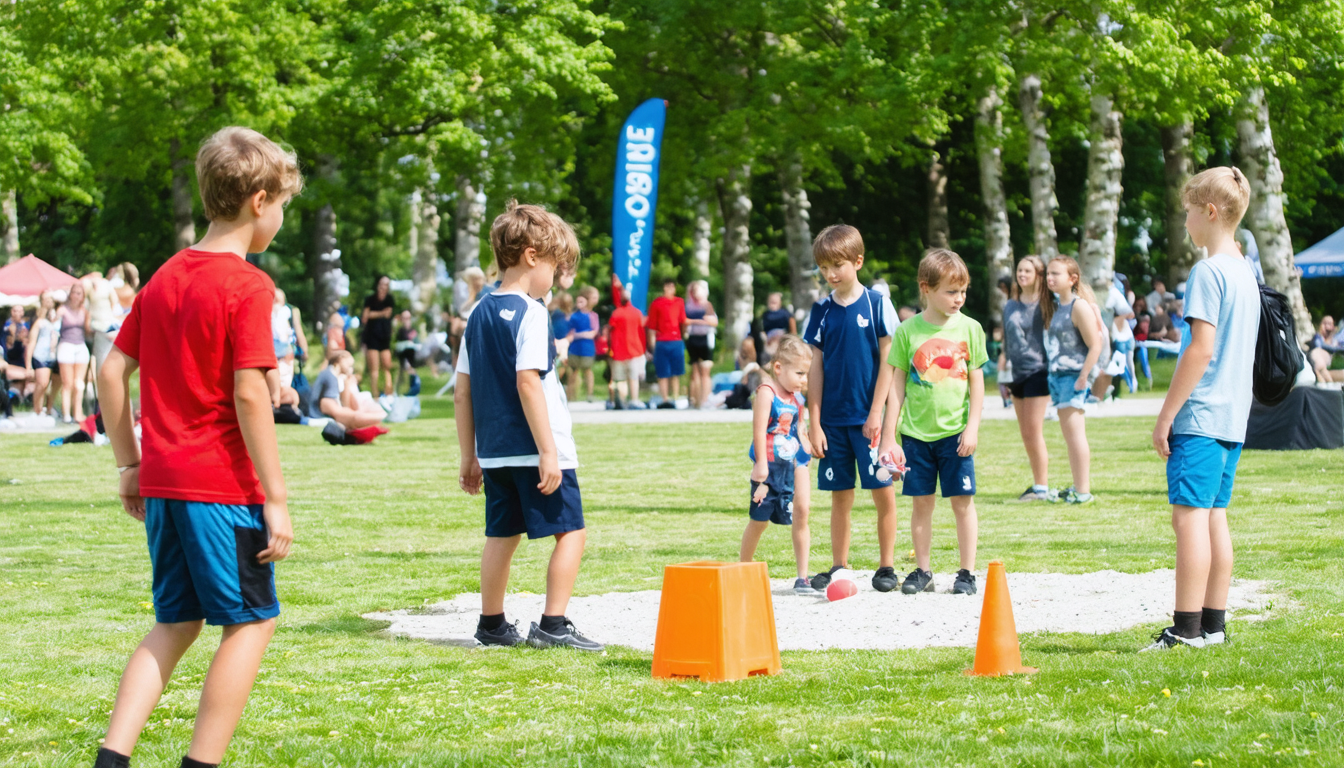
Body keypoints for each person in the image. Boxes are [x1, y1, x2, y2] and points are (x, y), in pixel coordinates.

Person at [92, 125, 301, 768]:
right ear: (260, 200)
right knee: (251, 622)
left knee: (175, 622)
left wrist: (130, 462)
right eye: (285, 206)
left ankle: (112, 758)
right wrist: (276, 498)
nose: (283, 220)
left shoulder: (163, 276)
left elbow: (108, 371)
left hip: (164, 483)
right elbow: (247, 396)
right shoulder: (249, 285)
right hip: (221, 488)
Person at [454, 201, 601, 652]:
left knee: (501, 534)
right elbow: (528, 383)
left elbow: (463, 390)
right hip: (539, 449)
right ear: (532, 256)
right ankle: (553, 623)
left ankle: (492, 624)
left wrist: (469, 454)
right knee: (571, 531)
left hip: (495, 451)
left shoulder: (477, 314)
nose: (556, 281)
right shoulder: (533, 313)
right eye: (556, 268)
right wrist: (548, 451)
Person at [1147, 167, 1260, 651]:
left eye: (1188, 212)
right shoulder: (1245, 272)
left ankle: (1185, 628)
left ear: (1210, 212)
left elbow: (1200, 349)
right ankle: (1213, 625)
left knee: (1189, 520)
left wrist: (1167, 414)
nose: (1186, 222)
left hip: (1203, 416)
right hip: (1234, 418)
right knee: (1215, 516)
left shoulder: (1208, 272)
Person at [877, 249, 986, 596]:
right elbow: (896, 386)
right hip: (915, 436)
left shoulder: (971, 328)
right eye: (951, 292)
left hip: (955, 436)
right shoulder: (907, 331)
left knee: (962, 503)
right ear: (926, 288)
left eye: (963, 291)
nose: (959, 299)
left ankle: (966, 572)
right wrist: (889, 435)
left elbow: (977, 384)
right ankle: (923, 570)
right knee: (921, 503)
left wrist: (972, 428)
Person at [803, 224, 901, 594]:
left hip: (868, 421)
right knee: (839, 496)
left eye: (838, 265)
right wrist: (815, 422)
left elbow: (890, 364)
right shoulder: (821, 310)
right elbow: (815, 368)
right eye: (824, 267)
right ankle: (839, 565)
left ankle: (887, 565)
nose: (831, 274)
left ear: (857, 262)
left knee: (882, 492)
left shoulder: (878, 304)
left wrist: (877, 413)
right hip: (833, 422)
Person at [739, 335, 817, 593]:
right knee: (759, 520)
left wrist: (806, 439)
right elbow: (759, 430)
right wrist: (761, 463)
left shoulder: (798, 398)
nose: (804, 380)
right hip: (770, 466)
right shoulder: (766, 392)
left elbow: (799, 425)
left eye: (806, 374)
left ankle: (802, 577)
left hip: (795, 462)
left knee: (802, 511)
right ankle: (744, 568)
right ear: (778, 368)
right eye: (799, 373)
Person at [1042, 255, 1103, 505]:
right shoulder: (1058, 306)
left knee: (1075, 435)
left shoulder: (1079, 306)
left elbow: (1095, 345)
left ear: (1072, 279)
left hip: (1072, 377)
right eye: (1048, 273)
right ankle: (1078, 486)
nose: (1049, 278)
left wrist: (1083, 377)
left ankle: (1083, 491)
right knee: (1069, 435)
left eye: (1055, 273)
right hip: (1057, 377)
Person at [1001, 255, 1052, 501]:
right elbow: (1006, 341)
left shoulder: (1046, 304)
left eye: (1028, 271)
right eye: (1019, 271)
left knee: (1033, 431)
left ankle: (1042, 486)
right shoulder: (1010, 305)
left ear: (1038, 275)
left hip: (1039, 371)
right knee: (1025, 433)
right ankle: (1037, 483)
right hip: (1016, 372)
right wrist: (1002, 372)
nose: (1022, 275)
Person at [309, 350, 386, 429]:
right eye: (349, 366)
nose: (350, 369)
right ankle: (382, 417)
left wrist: (347, 382)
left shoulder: (335, 375)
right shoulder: (330, 375)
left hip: (329, 409)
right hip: (321, 413)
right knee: (356, 417)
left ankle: (380, 417)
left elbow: (346, 404)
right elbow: (331, 405)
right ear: (340, 359)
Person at [646, 279, 687, 408]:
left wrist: (683, 336)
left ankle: (675, 397)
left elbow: (683, 320)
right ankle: (664, 398)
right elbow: (651, 326)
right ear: (663, 288)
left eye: (672, 286)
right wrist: (651, 345)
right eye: (667, 286)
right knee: (662, 372)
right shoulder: (657, 304)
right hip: (662, 341)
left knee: (676, 371)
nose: (669, 289)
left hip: (676, 340)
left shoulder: (679, 302)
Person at [56, 281, 92, 423]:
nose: (76, 295)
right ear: (70, 294)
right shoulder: (62, 310)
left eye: (79, 293)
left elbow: (88, 331)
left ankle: (78, 413)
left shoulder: (84, 311)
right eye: (74, 292)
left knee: (79, 384)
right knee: (68, 383)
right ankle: (66, 414)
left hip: (80, 346)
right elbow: (54, 327)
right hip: (66, 346)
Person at [608, 275, 646, 409]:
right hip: (635, 350)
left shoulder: (616, 314)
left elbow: (610, 331)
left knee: (619, 378)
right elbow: (641, 332)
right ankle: (634, 400)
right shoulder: (637, 313)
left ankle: (620, 401)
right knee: (633, 377)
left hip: (619, 351)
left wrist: (609, 347)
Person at [684, 279, 718, 409]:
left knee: (705, 371)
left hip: (705, 339)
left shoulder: (707, 305)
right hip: (693, 339)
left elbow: (712, 321)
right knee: (694, 372)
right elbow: (685, 322)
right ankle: (695, 400)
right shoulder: (688, 306)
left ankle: (705, 400)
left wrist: (695, 322)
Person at [361, 275, 396, 400]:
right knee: (374, 370)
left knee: (387, 366)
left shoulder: (390, 299)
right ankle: (375, 395)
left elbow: (389, 314)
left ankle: (389, 394)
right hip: (372, 336)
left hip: (384, 336)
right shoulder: (370, 299)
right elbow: (365, 317)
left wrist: (373, 314)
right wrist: (380, 313)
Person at [26, 293, 61, 417]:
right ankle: (37, 409)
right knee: (42, 383)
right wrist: (28, 364)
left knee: (49, 385)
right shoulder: (39, 321)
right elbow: (32, 342)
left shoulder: (55, 321)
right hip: (40, 355)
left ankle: (45, 408)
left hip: (52, 355)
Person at [566, 287, 599, 401]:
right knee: (573, 372)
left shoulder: (592, 315)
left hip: (587, 348)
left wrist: (578, 335)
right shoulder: (573, 316)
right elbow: (569, 333)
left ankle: (590, 394)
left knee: (587, 371)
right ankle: (570, 395)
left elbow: (593, 333)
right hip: (575, 348)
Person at [1309, 315, 1344, 385]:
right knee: (1316, 352)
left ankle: (1326, 381)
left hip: (1334, 365)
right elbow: (1318, 345)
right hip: (1322, 365)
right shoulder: (1318, 338)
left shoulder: (1336, 339)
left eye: (1331, 324)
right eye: (1326, 323)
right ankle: (1327, 381)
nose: (1329, 326)